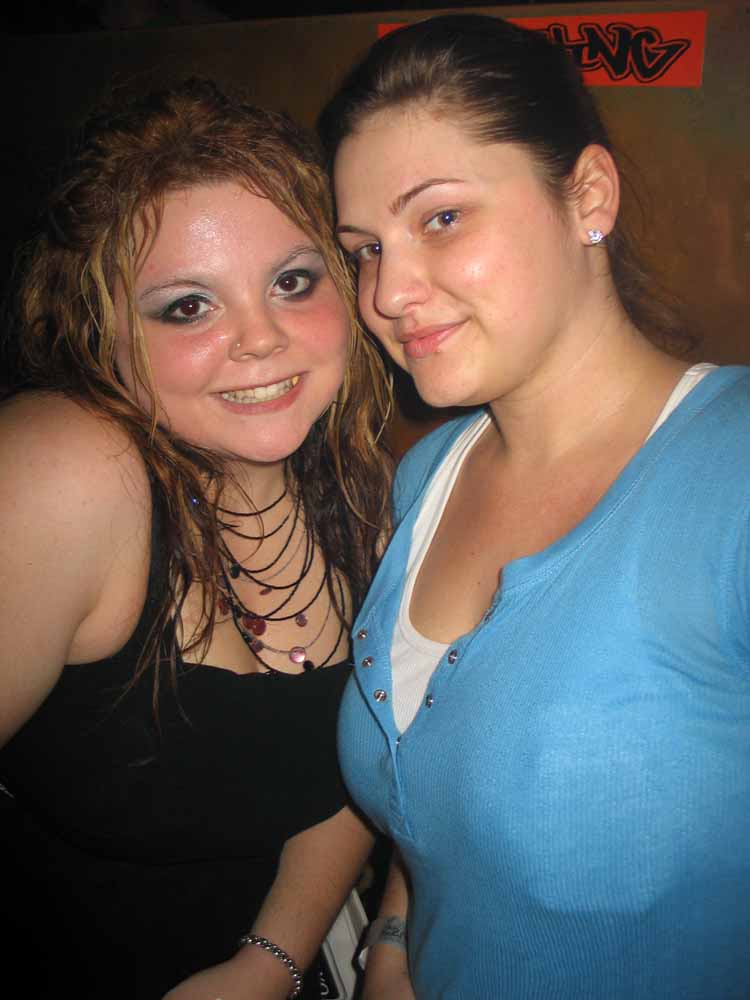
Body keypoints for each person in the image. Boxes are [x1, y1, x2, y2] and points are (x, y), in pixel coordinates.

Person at [319, 14, 750, 999]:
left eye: (440, 218)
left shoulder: (733, 477)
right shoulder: (426, 478)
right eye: (365, 248)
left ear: (587, 196)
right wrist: (394, 940)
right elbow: (431, 782)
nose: (388, 292)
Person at [0, 80, 392, 1000]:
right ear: (102, 327)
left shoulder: (366, 494)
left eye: (292, 282)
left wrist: (268, 962)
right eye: (188, 306)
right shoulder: (65, 471)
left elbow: (359, 762)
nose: (261, 340)